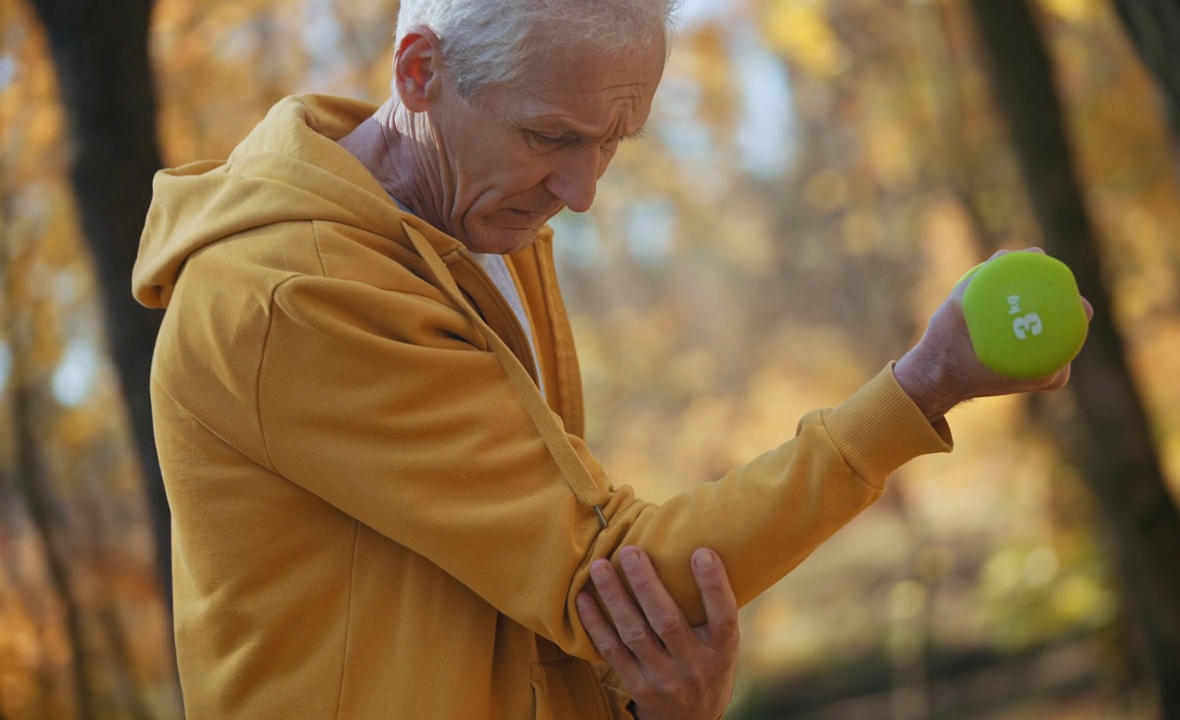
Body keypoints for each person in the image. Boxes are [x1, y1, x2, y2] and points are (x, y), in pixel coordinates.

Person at [132, 1, 1087, 718]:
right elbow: (606, 571)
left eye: (612, 142)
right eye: (552, 136)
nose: (583, 191)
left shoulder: (476, 225)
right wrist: (922, 388)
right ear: (420, 71)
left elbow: (530, 581)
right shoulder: (294, 295)